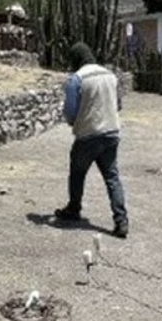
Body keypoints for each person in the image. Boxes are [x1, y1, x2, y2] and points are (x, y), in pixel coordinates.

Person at [54, 41, 129, 238]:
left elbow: (70, 110)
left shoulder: (77, 78)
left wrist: (73, 122)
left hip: (88, 135)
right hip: (111, 133)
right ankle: (121, 220)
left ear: (76, 59)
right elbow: (118, 104)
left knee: (77, 172)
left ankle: (74, 208)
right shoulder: (110, 75)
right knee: (112, 177)